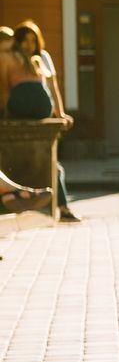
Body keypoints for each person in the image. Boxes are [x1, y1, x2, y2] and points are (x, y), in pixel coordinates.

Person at [2, 20, 78, 222]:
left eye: (33, 40)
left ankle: (24, 195)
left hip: (36, 110)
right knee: (52, 164)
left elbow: (52, 87)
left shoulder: (40, 58)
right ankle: (20, 195)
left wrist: (60, 114)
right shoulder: (11, 58)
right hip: (30, 110)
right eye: (25, 41)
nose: (29, 45)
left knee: (51, 163)